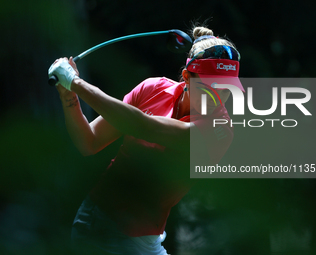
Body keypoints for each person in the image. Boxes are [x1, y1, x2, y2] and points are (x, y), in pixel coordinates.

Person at [48, 26, 244, 255]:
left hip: (141, 241)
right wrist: (69, 97)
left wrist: (75, 83)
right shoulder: (153, 89)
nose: (219, 95)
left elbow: (142, 126)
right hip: (97, 225)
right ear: (187, 77)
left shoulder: (219, 130)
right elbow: (89, 142)